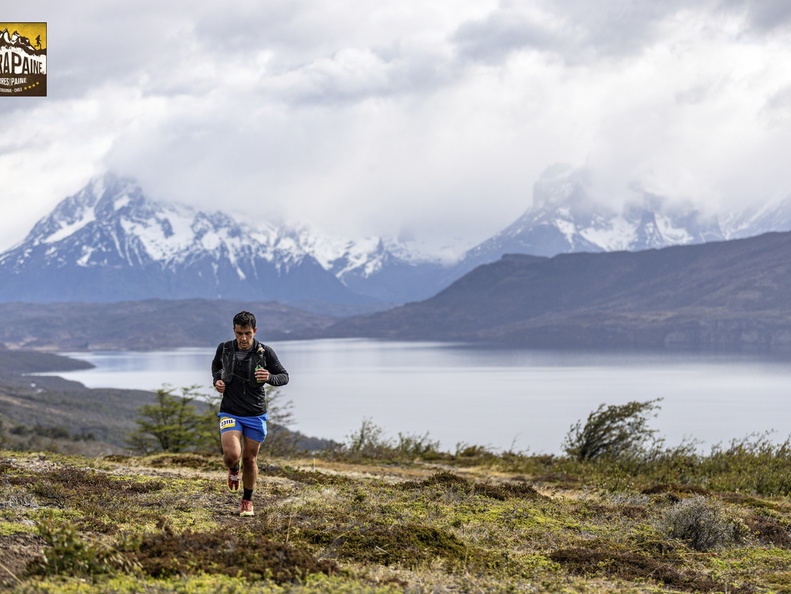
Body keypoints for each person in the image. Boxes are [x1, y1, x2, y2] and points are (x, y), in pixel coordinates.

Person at [211, 310, 289, 516]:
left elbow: (284, 376)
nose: (243, 338)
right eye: (239, 333)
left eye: (247, 333)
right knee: (231, 455)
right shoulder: (224, 348)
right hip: (230, 411)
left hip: (255, 414)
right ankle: (233, 469)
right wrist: (217, 381)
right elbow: (216, 367)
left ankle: (247, 500)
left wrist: (269, 377)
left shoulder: (265, 352)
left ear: (255, 331)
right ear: (234, 331)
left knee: (250, 460)